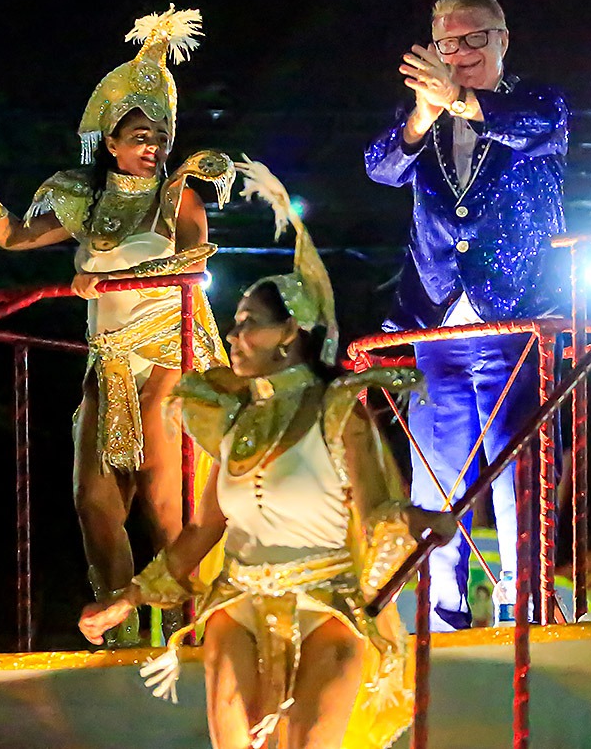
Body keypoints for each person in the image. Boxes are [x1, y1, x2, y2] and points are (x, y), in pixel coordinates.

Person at [80, 161, 455, 749]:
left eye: (249, 324)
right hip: (239, 600)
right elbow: (203, 530)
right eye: (234, 324)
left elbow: (379, 511)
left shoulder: (339, 412)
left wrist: (418, 520)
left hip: (325, 600)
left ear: (289, 333)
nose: (233, 336)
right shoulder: (231, 419)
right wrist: (127, 598)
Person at [0, 7, 234, 645]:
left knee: (165, 499)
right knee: (95, 501)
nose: (153, 147)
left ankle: (189, 631)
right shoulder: (84, 197)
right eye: (140, 136)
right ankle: (119, 630)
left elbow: (192, 264)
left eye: (160, 136)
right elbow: (15, 236)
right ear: (110, 142)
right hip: (107, 358)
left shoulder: (180, 193)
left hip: (171, 349)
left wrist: (111, 281)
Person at [365, 0, 568, 630]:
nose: (458, 54)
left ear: (502, 40)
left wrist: (456, 100)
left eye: (473, 39)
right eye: (446, 43)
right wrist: (423, 115)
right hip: (436, 318)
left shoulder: (538, 103)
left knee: (518, 466)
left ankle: (524, 602)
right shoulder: (419, 116)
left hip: (516, 313)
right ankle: (439, 610)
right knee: (436, 474)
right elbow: (380, 168)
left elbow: (530, 126)